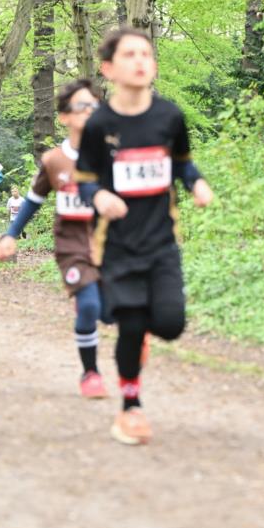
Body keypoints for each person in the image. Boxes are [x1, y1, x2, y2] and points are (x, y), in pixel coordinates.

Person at [76, 26, 213, 445]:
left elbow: (182, 163)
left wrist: (196, 183)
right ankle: (130, 407)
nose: (140, 61)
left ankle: (140, 340)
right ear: (108, 68)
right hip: (117, 245)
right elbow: (85, 181)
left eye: (146, 54)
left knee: (170, 324)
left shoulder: (169, 116)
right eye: (130, 54)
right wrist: (100, 196)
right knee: (132, 326)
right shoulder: (100, 125)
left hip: (161, 242)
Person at [0, 80, 108, 398]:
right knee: (89, 307)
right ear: (64, 117)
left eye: (94, 106)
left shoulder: (112, 156)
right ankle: (90, 374)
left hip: (112, 243)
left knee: (114, 310)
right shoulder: (54, 160)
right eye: (81, 106)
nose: (89, 112)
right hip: (73, 246)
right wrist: (11, 235)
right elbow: (32, 201)